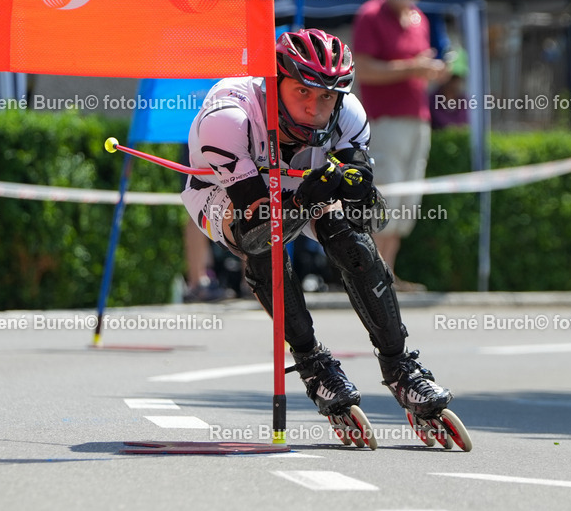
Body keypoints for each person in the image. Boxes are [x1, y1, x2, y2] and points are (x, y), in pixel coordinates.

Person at [181, 29, 454, 424]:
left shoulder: (349, 114)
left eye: (326, 96)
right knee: (264, 248)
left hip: (297, 182)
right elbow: (260, 228)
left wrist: (359, 193)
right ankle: (315, 366)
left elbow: (373, 219)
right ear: (276, 84)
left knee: (350, 239)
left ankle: (402, 369)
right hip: (222, 189)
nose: (315, 107)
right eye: (303, 92)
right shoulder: (228, 118)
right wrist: (304, 199)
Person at [352, 0, 449, 291]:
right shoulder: (370, 15)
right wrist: (414, 67)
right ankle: (374, 275)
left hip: (416, 121)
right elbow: (362, 70)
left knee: (407, 202)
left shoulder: (419, 20)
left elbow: (416, 71)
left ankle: (387, 274)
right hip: (384, 121)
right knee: (386, 196)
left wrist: (432, 72)